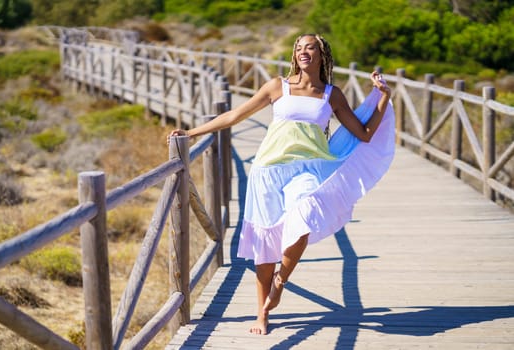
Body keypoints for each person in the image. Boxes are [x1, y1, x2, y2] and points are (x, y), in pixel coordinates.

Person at [168, 34, 394, 335]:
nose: (303, 52)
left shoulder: (331, 94)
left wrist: (383, 97)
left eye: (309, 47)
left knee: (304, 217)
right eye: (299, 48)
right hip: (268, 170)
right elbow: (236, 115)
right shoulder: (278, 86)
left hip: (308, 169)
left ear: (321, 54)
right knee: (265, 245)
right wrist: (192, 132)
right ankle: (262, 313)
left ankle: (280, 281)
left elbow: (364, 134)